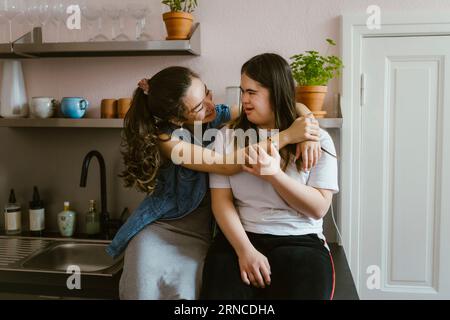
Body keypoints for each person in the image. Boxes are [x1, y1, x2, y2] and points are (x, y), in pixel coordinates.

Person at [106, 66, 323, 300]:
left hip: (202, 234)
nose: (211, 104)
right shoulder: (166, 140)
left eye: (207, 93)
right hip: (164, 227)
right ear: (177, 119)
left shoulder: (216, 115)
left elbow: (279, 105)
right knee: (144, 291)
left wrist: (309, 125)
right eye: (199, 106)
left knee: (186, 294)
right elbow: (226, 165)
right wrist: (290, 135)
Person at [200, 53, 339, 300]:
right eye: (243, 91)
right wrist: (245, 251)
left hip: (301, 241)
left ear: (275, 91)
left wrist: (274, 175)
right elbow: (221, 202)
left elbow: (319, 208)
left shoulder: (317, 140)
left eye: (252, 92)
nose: (244, 100)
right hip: (242, 238)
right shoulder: (227, 137)